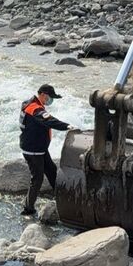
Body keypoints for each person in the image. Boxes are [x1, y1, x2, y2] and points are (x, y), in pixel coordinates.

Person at [19, 84, 77, 216]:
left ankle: (61, 197)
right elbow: (49, 121)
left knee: (51, 170)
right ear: (43, 94)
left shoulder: (29, 103)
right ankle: (28, 208)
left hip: (39, 148)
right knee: (37, 178)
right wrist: (67, 126)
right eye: (50, 98)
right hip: (33, 150)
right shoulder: (34, 108)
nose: (51, 101)